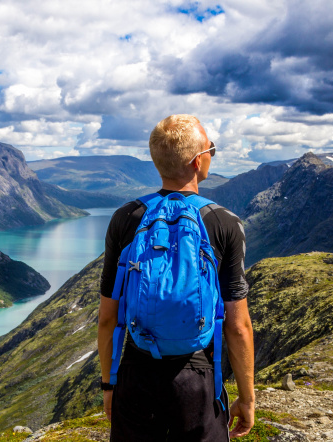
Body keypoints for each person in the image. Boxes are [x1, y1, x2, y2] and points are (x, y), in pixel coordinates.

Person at [97, 114, 255, 441]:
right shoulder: (224, 222)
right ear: (198, 161)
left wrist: (110, 385)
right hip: (198, 378)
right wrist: (247, 398)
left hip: (137, 372)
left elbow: (108, 319)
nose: (212, 154)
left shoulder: (127, 218)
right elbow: (238, 325)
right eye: (212, 148)